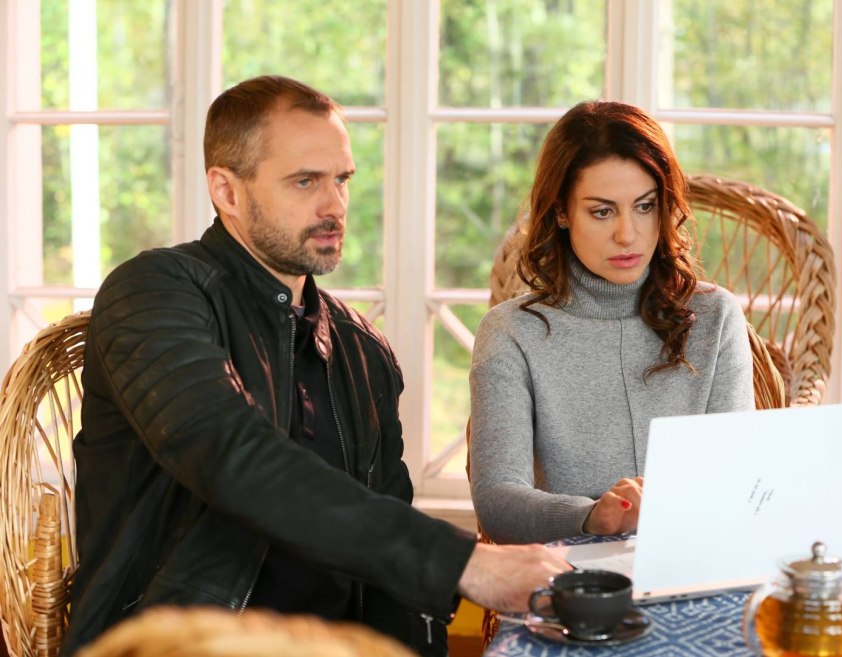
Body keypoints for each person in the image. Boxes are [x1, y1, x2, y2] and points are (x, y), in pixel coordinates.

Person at [63, 75, 568, 657]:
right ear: (226, 191)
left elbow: (390, 583)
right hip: (175, 646)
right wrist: (464, 563)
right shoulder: (153, 292)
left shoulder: (362, 349)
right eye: (305, 181)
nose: (334, 206)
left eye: (341, 179)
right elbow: (231, 454)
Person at [468, 100, 755, 545]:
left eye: (645, 206)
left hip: (700, 561)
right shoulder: (510, 333)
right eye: (602, 211)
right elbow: (497, 502)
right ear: (561, 212)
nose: (628, 234)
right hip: (571, 575)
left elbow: (738, 479)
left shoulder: (716, 317)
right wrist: (591, 516)